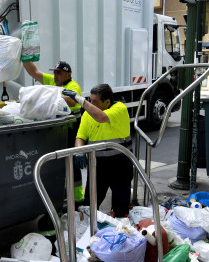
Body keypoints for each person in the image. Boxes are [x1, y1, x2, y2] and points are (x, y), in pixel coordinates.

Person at [63, 83, 132, 218]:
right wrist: (79, 150)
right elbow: (80, 137)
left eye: (94, 101)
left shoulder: (120, 108)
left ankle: (119, 231)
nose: (90, 104)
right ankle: (90, 232)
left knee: (120, 208)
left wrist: (79, 99)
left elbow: (101, 117)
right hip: (98, 165)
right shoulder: (88, 114)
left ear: (107, 102)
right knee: (90, 205)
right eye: (89, 100)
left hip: (120, 165)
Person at [23, 60, 85, 204]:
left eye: (60, 73)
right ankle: (63, 194)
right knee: (60, 163)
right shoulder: (53, 82)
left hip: (72, 130)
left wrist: (48, 97)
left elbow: (72, 101)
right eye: (55, 73)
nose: (56, 76)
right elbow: (34, 72)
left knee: (72, 164)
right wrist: (24, 57)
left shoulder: (73, 86)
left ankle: (77, 198)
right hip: (59, 130)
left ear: (68, 74)